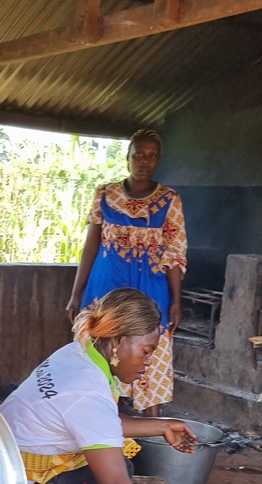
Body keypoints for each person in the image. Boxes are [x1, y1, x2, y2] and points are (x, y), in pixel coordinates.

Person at [0, 288, 196, 484]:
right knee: (113, 477)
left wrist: (161, 425)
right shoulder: (88, 390)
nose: (147, 364)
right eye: (146, 352)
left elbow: (96, 424)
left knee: (112, 466)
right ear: (118, 341)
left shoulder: (76, 352)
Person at [65, 129, 187, 416]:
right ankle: (101, 421)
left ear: (159, 160)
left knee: (151, 353)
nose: (144, 162)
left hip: (152, 290)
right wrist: (75, 294)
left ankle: (151, 437)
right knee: (102, 347)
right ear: (127, 158)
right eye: (138, 155)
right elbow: (90, 247)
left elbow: (175, 255)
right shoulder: (105, 195)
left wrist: (176, 301)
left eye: (151, 156)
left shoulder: (170, 200)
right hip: (105, 287)